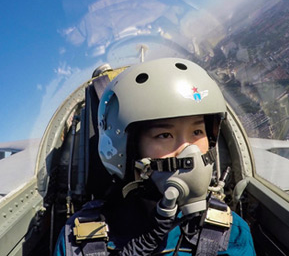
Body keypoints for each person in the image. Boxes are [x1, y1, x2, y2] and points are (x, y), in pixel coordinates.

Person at [54, 58, 255, 255]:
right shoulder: (79, 240)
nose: (189, 152)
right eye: (165, 135)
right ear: (126, 150)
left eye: (197, 132)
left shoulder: (232, 233)